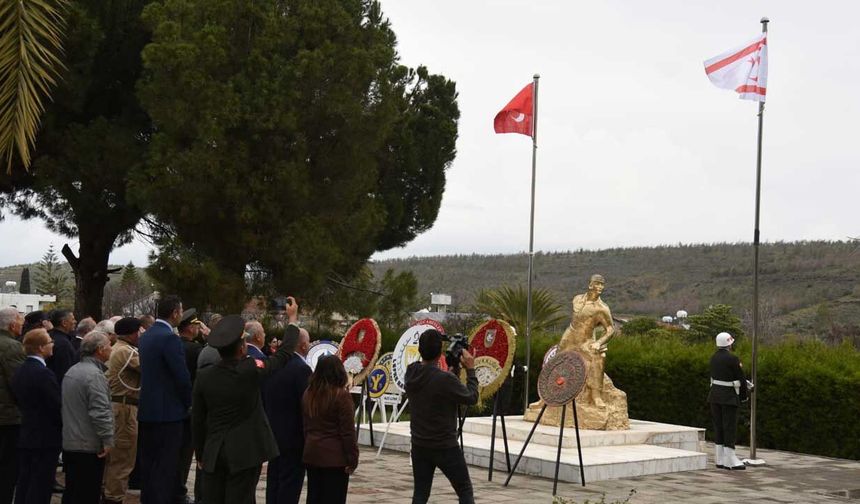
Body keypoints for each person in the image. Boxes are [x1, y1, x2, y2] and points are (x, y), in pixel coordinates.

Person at [192, 297, 299, 504]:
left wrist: (201, 452)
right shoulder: (249, 370)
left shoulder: (204, 376)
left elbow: (198, 418)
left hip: (214, 451)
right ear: (242, 348)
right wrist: (292, 320)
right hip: (245, 451)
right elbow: (284, 355)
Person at [405, 329, 478, 504]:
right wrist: (471, 370)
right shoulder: (444, 379)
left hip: (419, 444)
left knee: (421, 494)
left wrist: (453, 370)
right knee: (465, 491)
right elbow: (471, 397)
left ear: (420, 350)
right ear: (440, 352)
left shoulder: (411, 372)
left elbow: (436, 384)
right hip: (445, 446)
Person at [137, 295, 192, 504]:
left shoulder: (147, 335)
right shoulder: (170, 338)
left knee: (150, 465)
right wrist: (189, 402)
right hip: (168, 412)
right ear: (175, 313)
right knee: (166, 467)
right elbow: (181, 376)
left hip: (148, 409)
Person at [61, 331, 114, 504]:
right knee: (87, 493)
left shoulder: (72, 370)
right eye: (108, 346)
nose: (111, 349)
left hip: (72, 442)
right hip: (88, 445)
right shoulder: (94, 375)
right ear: (99, 350)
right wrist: (107, 439)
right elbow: (100, 410)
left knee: (72, 491)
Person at [11, 329, 61, 504]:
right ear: (40, 348)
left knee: (26, 480)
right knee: (41, 483)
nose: (52, 344)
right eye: (49, 342)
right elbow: (56, 405)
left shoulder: (20, 370)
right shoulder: (44, 374)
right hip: (45, 436)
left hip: (27, 431)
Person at [263, 327, 312, 504]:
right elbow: (308, 405)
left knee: (274, 480)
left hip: (272, 433)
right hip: (294, 437)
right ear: (304, 346)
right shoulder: (302, 369)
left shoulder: (273, 364)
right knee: (290, 484)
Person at [301, 354, 358, 504]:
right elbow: (347, 432)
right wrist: (352, 457)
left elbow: (306, 425)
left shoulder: (308, 394)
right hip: (335, 458)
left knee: (314, 496)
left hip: (312, 453)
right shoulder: (341, 396)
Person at [102, 318, 143, 504]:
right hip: (124, 408)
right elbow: (150, 368)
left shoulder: (115, 348)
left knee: (112, 457)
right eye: (139, 332)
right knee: (123, 457)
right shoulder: (127, 352)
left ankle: (108, 492)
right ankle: (114, 497)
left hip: (115, 406)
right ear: (132, 333)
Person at [708, 332, 749, 471]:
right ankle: (730, 459)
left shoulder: (713, 357)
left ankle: (720, 458)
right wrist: (744, 396)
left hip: (714, 396)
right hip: (729, 397)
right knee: (729, 426)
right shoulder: (733, 358)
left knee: (719, 426)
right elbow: (741, 378)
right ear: (729, 343)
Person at [176, 309, 203, 503]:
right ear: (190, 327)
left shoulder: (175, 345)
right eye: (196, 325)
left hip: (174, 406)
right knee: (185, 453)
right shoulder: (195, 349)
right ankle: (179, 491)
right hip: (190, 404)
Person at [0, 307, 25, 504]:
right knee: (8, 468)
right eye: (20, 320)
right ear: (11, 324)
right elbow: (19, 383)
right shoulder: (12, 347)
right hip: (8, 415)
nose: (22, 323)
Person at [47, 310, 78, 385]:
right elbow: (64, 371)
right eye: (72, 319)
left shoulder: (49, 336)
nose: (75, 321)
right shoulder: (63, 344)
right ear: (64, 323)